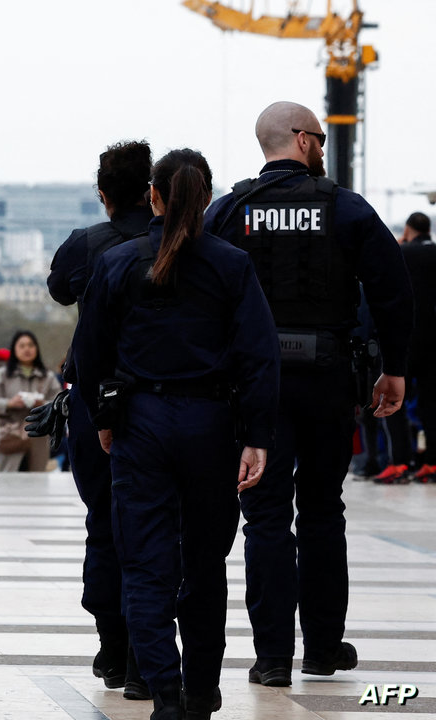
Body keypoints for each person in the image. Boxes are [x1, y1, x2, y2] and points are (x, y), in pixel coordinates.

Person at [204, 101, 412, 688]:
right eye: (319, 137)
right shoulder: (345, 207)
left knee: (265, 517)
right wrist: (394, 369)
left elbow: (199, 290)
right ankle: (321, 648)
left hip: (253, 388)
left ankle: (271, 658)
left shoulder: (230, 210)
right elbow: (392, 290)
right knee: (322, 510)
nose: (321, 145)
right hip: (326, 381)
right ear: (301, 139)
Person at [74, 148, 280, 720]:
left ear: (153, 196)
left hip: (140, 422)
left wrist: (104, 419)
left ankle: (164, 692)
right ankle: (201, 691)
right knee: (205, 565)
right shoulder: (231, 265)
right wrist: (258, 435)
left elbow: (89, 354)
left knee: (145, 567)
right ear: (206, 197)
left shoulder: (119, 262)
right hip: (211, 424)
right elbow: (259, 356)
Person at [48, 139, 155, 697]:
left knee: (103, 522)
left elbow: (58, 289)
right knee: (157, 528)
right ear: (152, 191)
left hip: (97, 401)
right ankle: (145, 652)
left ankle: (111, 644)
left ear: (102, 193)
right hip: (160, 401)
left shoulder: (86, 244)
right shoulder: (175, 243)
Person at [391, 212, 436, 482]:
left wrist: (400, 244)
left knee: (394, 402)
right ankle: (431, 463)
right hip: (434, 343)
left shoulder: (403, 253)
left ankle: (400, 463)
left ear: (408, 230)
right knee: (431, 405)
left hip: (407, 340)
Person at [0, 329, 61, 472]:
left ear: (36, 348)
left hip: (38, 437)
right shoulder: (3, 375)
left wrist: (43, 405)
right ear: (14, 349)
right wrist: (9, 403)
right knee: (8, 480)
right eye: (22, 345)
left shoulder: (48, 376)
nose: (27, 349)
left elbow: (59, 404)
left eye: (31, 345)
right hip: (9, 437)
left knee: (37, 480)